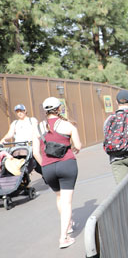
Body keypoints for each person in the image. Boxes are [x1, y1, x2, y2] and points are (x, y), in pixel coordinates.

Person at [32, 97, 82, 249]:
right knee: (66, 202)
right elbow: (78, 145)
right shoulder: (68, 125)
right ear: (59, 108)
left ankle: (69, 224)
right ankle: (64, 237)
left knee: (59, 197)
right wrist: (74, 148)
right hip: (67, 164)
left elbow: (35, 152)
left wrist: (46, 165)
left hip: (47, 168)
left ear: (45, 110)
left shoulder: (38, 128)